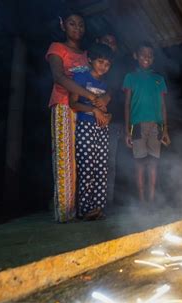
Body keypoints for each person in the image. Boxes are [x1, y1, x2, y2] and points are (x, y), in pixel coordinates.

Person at [46, 11, 109, 222]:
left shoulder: (86, 55)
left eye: (81, 25)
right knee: (65, 160)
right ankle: (65, 213)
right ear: (62, 24)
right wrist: (90, 96)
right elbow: (58, 76)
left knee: (84, 162)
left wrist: (100, 101)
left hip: (85, 112)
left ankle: (85, 208)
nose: (77, 28)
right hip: (64, 106)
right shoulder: (57, 48)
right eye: (72, 24)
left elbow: (100, 76)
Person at [69, 43, 114, 220]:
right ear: (90, 60)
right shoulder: (81, 77)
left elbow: (105, 108)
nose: (103, 66)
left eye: (107, 64)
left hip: (102, 129)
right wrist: (93, 110)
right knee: (87, 167)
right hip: (85, 126)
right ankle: (84, 209)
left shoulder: (104, 84)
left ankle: (98, 208)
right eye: (100, 61)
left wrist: (108, 115)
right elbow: (73, 104)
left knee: (102, 168)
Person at [123, 42, 171, 205]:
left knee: (153, 163)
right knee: (139, 163)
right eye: (143, 54)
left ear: (153, 58)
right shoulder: (130, 77)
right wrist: (127, 131)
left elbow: (164, 106)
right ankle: (142, 200)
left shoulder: (159, 79)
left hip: (156, 127)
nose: (147, 57)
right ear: (136, 56)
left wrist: (165, 130)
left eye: (150, 55)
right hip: (137, 125)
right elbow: (127, 104)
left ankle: (151, 200)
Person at [96, 32, 129, 207]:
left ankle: (104, 203)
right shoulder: (90, 65)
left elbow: (120, 95)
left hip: (113, 122)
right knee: (89, 161)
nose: (109, 44)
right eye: (106, 41)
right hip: (89, 119)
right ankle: (85, 201)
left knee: (109, 163)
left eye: (113, 43)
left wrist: (124, 124)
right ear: (98, 42)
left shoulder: (118, 67)